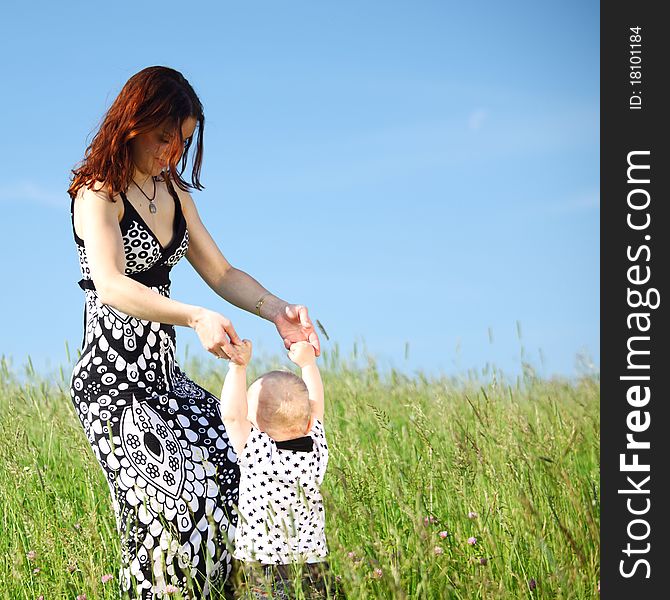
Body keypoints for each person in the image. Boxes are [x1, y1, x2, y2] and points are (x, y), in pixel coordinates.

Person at [67, 65, 320, 599]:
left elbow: (222, 273)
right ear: (133, 122)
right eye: (164, 137)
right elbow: (111, 284)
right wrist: (193, 315)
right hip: (112, 388)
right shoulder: (99, 193)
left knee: (243, 479)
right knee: (178, 511)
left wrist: (277, 310)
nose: (172, 152)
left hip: (166, 382)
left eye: (182, 141)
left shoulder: (176, 197)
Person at [220, 339, 335, 599]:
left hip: (262, 567)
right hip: (313, 566)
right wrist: (308, 363)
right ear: (306, 422)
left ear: (254, 423)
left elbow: (231, 416)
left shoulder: (258, 451)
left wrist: (238, 367)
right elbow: (315, 407)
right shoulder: (316, 448)